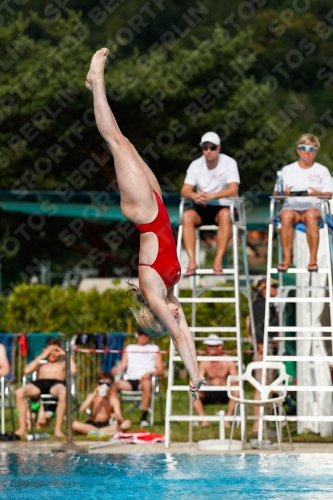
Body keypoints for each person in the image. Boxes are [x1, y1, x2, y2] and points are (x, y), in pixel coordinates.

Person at [85, 48, 205, 401]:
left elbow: (180, 336)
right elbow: (188, 335)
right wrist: (196, 375)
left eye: (173, 316)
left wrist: (193, 375)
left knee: (117, 142)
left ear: (159, 316)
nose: (179, 315)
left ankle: (96, 81)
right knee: (128, 145)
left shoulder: (155, 293)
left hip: (143, 212)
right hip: (157, 208)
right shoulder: (169, 290)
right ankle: (96, 83)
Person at [180, 132, 240, 276]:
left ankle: (218, 260)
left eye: (212, 147)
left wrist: (212, 196)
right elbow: (184, 190)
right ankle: (192, 261)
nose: (208, 151)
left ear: (219, 148)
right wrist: (194, 195)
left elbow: (233, 190)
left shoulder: (229, 163)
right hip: (203, 207)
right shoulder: (195, 165)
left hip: (223, 206)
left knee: (226, 215)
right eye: (205, 147)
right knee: (186, 216)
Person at [274, 133, 332, 272]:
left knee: (311, 215)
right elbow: (275, 195)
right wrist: (285, 194)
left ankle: (313, 259)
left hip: (313, 208)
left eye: (311, 149)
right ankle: (286, 258)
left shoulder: (322, 170)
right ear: (298, 150)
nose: (307, 151)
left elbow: (329, 194)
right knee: (286, 216)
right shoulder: (287, 170)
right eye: (304, 147)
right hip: (291, 207)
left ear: (316, 151)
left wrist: (317, 193)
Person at [15, 337, 77, 437]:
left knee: (64, 392)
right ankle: (22, 429)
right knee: (19, 392)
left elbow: (73, 370)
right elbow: (26, 371)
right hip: (39, 384)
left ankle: (57, 430)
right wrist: (43, 355)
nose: (53, 353)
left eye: (55, 351)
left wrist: (64, 354)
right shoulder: (40, 364)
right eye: (50, 350)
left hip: (56, 384)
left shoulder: (62, 364)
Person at [246, 278, 279, 434]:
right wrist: (261, 351)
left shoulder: (266, 304)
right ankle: (257, 426)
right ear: (264, 289)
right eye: (274, 286)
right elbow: (257, 331)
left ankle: (263, 425)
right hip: (263, 350)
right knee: (261, 387)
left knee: (266, 387)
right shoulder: (260, 305)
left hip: (266, 349)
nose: (277, 289)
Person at [113, 327, 164, 426]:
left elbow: (161, 369)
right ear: (137, 334)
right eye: (141, 334)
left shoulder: (155, 348)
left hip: (145, 381)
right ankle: (116, 416)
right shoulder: (129, 348)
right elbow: (123, 366)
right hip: (130, 380)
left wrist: (150, 373)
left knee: (147, 384)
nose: (143, 336)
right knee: (112, 384)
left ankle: (144, 418)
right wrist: (116, 370)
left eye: (146, 334)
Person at [192, 334, 238, 428]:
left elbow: (235, 380)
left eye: (213, 346)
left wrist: (231, 386)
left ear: (220, 347)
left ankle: (227, 421)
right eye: (209, 346)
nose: (210, 348)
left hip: (226, 391)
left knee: (236, 391)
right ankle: (204, 421)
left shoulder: (228, 360)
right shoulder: (204, 362)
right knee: (192, 390)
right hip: (210, 392)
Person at [72, 372, 131, 436]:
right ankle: (103, 433)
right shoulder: (93, 396)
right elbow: (81, 409)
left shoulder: (113, 399)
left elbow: (120, 418)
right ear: (97, 384)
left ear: (111, 385)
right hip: (90, 424)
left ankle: (94, 432)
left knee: (127, 423)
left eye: (108, 384)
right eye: (101, 383)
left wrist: (118, 418)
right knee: (74, 424)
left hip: (105, 425)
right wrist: (94, 395)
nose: (104, 386)